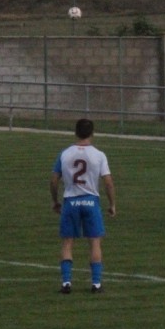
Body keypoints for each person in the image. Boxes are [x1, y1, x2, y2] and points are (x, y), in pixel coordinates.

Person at [51, 118, 116, 294]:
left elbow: (54, 179)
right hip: (91, 201)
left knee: (67, 243)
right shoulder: (99, 155)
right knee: (95, 243)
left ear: (75, 132)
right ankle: (96, 284)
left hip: (71, 202)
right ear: (92, 133)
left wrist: (55, 201)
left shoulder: (64, 153)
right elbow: (108, 182)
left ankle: (66, 283)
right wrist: (112, 204)